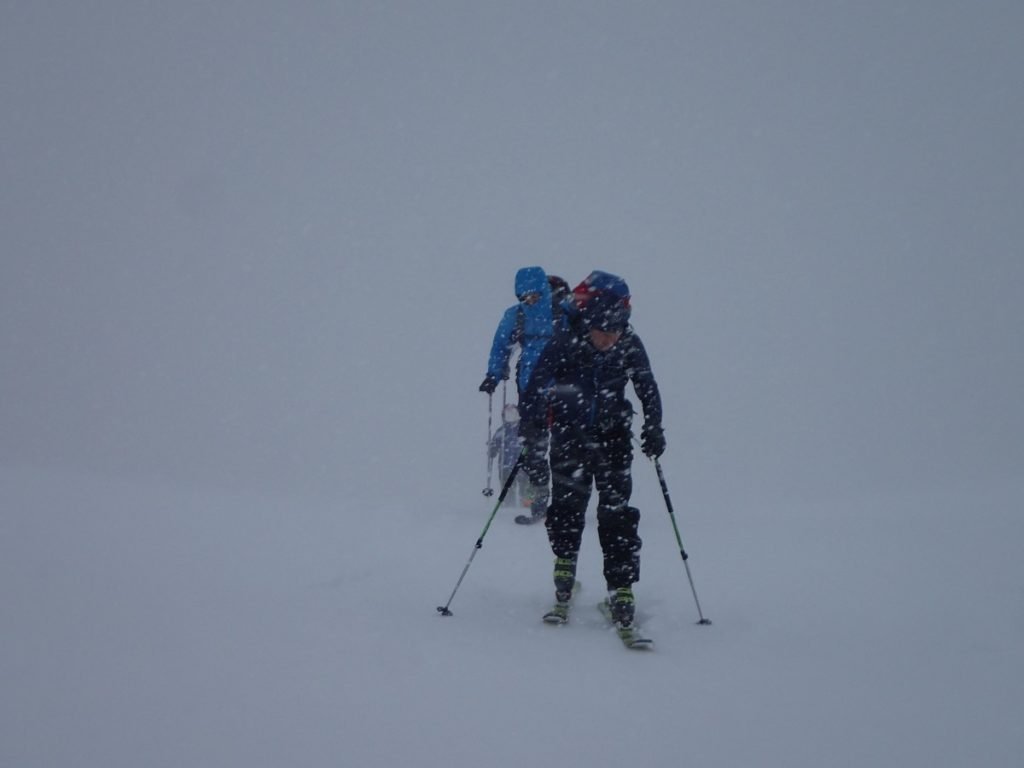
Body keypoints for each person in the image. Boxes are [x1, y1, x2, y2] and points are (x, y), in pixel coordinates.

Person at [518, 270, 666, 633]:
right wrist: (533, 422)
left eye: (615, 332)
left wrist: (654, 426)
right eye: (603, 332)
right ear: (589, 323)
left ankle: (621, 587)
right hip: (570, 437)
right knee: (567, 508)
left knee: (617, 515)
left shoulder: (629, 341)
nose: (609, 339)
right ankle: (565, 567)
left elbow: (647, 384)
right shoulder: (566, 340)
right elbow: (537, 383)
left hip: (615, 439)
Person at [478, 267, 557, 522]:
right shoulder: (517, 316)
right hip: (530, 387)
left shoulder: (562, 313)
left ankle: (568, 502)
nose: (529, 302)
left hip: (563, 388)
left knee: (566, 447)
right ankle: (540, 500)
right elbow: (501, 345)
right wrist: (494, 374)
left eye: (533, 296)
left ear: (543, 292)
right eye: (523, 297)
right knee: (532, 446)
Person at [488, 404, 531, 506]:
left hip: (523, 465)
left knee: (524, 489)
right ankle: (508, 507)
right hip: (505, 466)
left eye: (513, 414)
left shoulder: (524, 429)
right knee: (507, 490)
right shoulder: (501, 432)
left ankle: (525, 507)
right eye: (508, 414)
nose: (511, 417)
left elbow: (532, 442)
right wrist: (492, 449)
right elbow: (494, 446)